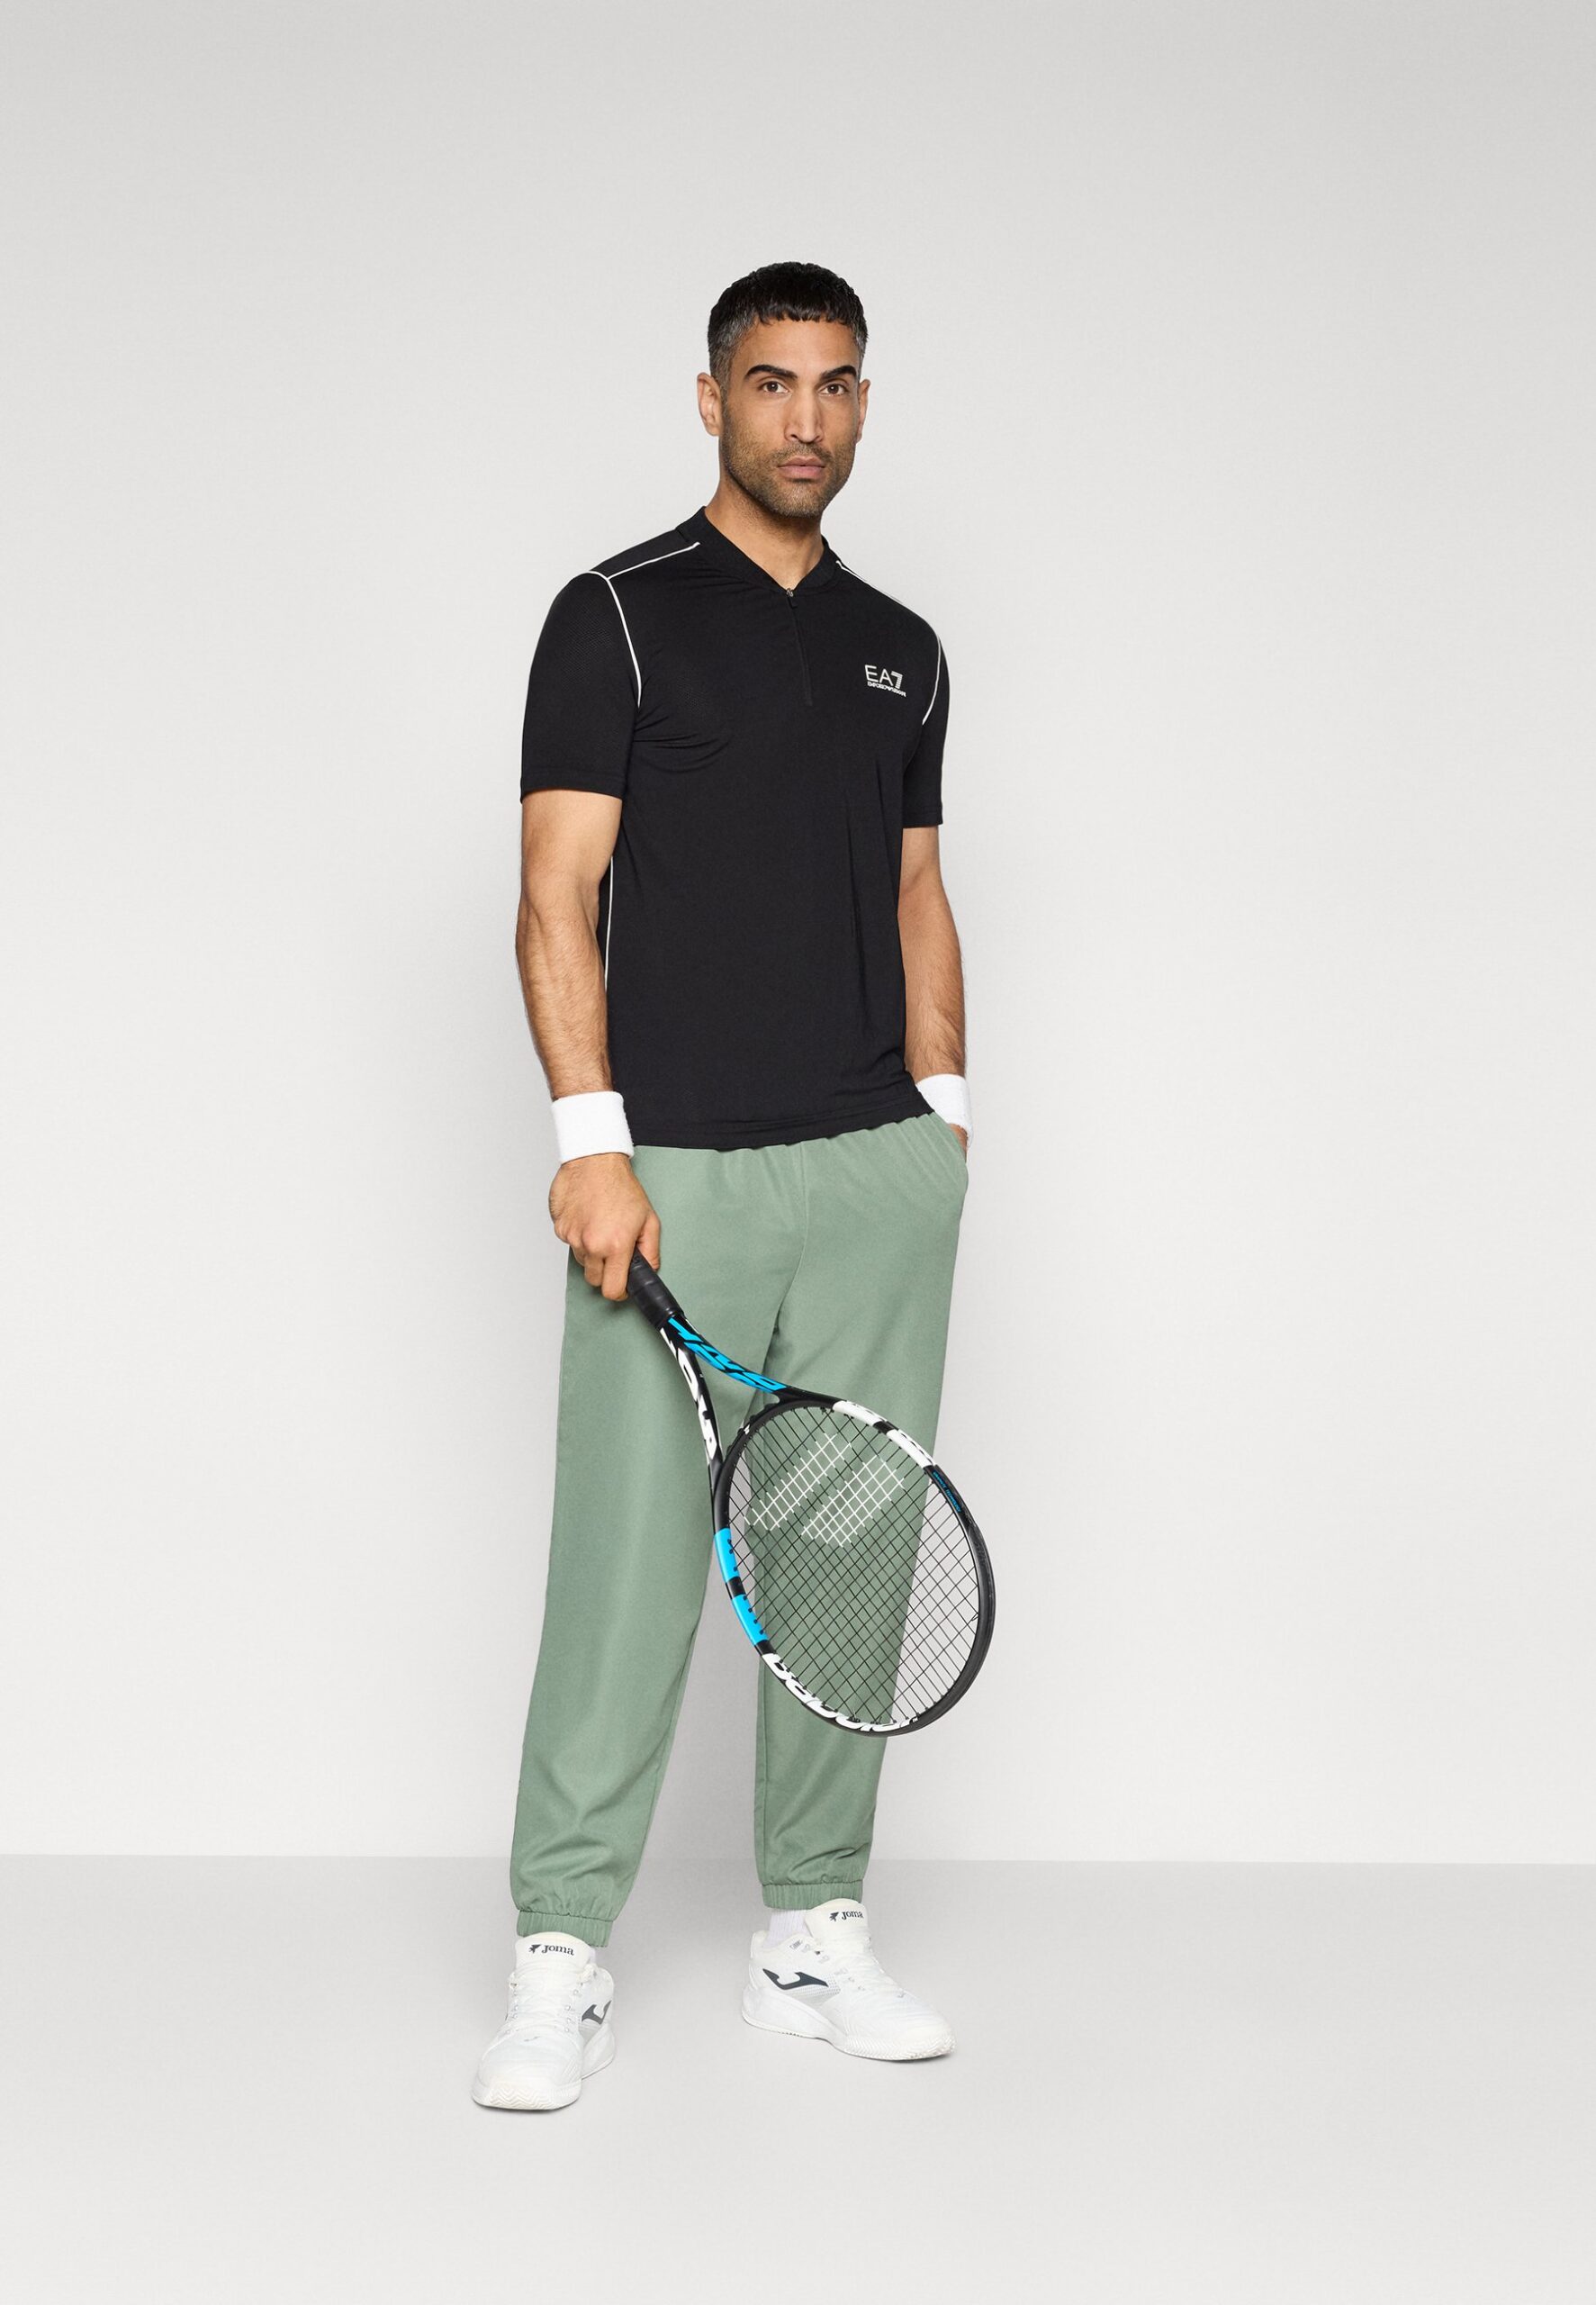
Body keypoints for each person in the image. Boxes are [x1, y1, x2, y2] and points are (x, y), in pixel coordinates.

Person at [473, 261, 974, 2111]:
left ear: (864, 402)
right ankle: (558, 1947)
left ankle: (809, 1927)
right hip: (673, 1171)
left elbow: (917, 889)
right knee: (625, 1571)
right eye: (770, 383)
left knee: (846, 1570)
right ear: (710, 399)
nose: (804, 420)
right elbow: (552, 894)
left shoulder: (903, 646)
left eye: (835, 386)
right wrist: (588, 1143)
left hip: (869, 1170)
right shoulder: (612, 617)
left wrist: (941, 1121)